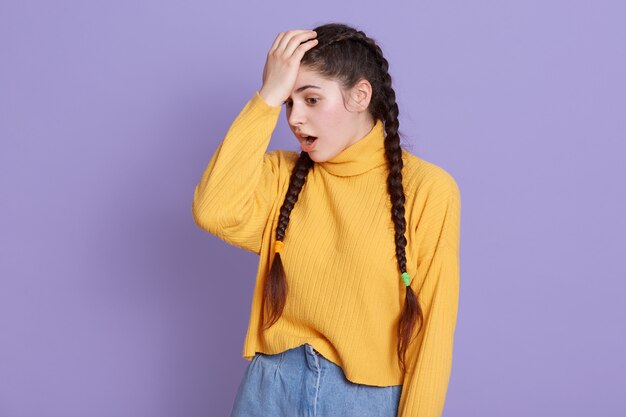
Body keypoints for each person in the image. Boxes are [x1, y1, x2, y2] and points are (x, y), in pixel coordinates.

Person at [192, 23, 461, 417]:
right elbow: (212, 210)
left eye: (312, 99)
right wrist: (267, 97)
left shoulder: (428, 189)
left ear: (360, 96)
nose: (295, 119)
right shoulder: (282, 177)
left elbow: (432, 334)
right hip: (270, 390)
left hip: (364, 400)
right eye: (289, 102)